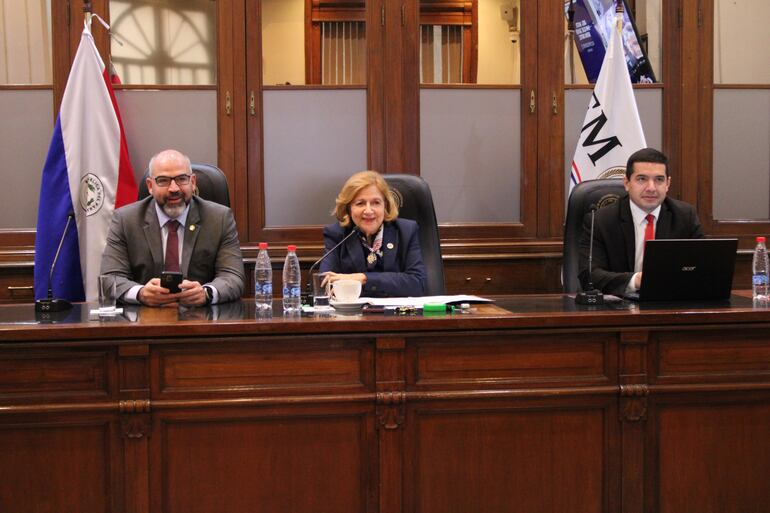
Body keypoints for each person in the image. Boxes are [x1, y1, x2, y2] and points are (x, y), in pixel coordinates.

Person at [100, 149, 245, 306]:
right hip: (145, 321)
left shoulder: (219, 218)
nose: (174, 188)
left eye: (182, 179)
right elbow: (109, 278)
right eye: (163, 180)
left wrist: (206, 293)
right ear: (150, 185)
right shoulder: (125, 220)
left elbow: (233, 277)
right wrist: (141, 293)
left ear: (193, 182)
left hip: (201, 319)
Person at [578, 147, 704, 297]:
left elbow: (704, 267)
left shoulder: (685, 216)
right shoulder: (600, 221)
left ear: (668, 184)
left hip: (670, 303)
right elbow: (590, 275)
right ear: (626, 183)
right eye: (642, 179)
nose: (651, 188)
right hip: (618, 308)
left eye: (659, 179)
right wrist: (636, 280)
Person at [320, 170, 427, 297]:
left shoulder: (406, 231)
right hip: (353, 314)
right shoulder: (337, 234)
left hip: (397, 314)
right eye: (360, 203)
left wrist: (363, 279)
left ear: (385, 205)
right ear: (348, 208)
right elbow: (326, 283)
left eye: (376, 203)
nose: (369, 210)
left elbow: (417, 283)